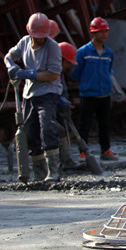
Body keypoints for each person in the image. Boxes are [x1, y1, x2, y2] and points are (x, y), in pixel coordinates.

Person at [4, 12, 62, 181]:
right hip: (29, 94)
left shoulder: (53, 47)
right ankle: (39, 172)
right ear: (30, 33)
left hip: (48, 93)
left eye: (42, 37)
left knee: (47, 128)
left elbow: (53, 75)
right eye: (36, 37)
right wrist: (10, 65)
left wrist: (27, 73)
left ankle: (53, 171)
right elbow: (9, 56)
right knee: (30, 132)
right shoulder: (23, 42)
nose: (40, 40)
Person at [70, 17, 118, 161]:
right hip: (88, 95)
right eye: (101, 32)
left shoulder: (109, 54)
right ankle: (83, 151)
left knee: (104, 125)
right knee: (85, 124)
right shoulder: (83, 52)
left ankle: (105, 150)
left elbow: (109, 71)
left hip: (104, 95)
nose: (104, 35)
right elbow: (75, 73)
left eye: (106, 31)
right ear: (93, 33)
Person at [56, 42, 78, 170]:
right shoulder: (51, 73)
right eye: (67, 62)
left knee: (66, 130)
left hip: (59, 108)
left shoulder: (60, 73)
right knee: (58, 132)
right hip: (51, 108)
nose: (69, 65)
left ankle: (65, 160)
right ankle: (59, 162)